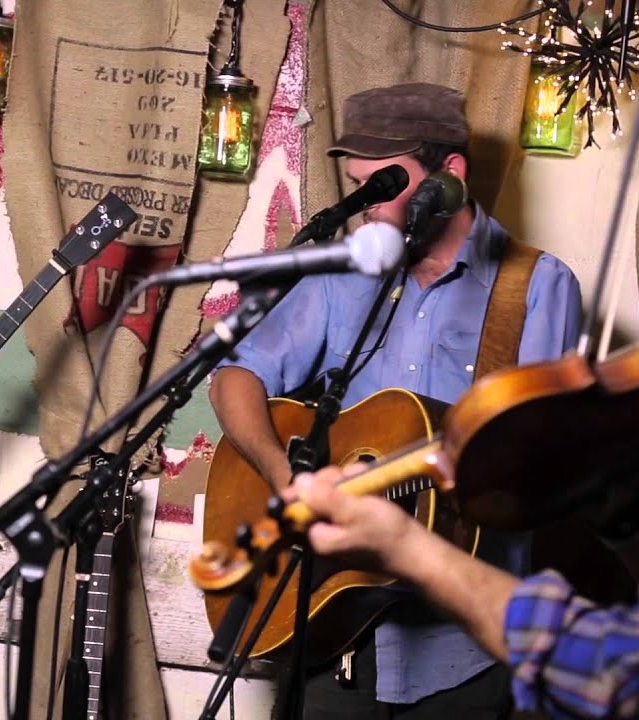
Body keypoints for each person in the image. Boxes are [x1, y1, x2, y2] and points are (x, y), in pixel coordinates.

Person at [284, 48, 639, 719]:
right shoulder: (339, 277)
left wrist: (411, 552)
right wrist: (632, 514)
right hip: (342, 640)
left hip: (458, 654)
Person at [208, 82, 583, 718]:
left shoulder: (537, 286)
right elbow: (235, 377)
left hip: (464, 650)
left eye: (384, 187)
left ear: (451, 178)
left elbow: (544, 464)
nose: (367, 210)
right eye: (358, 187)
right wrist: (285, 478)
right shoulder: (340, 273)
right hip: (330, 628)